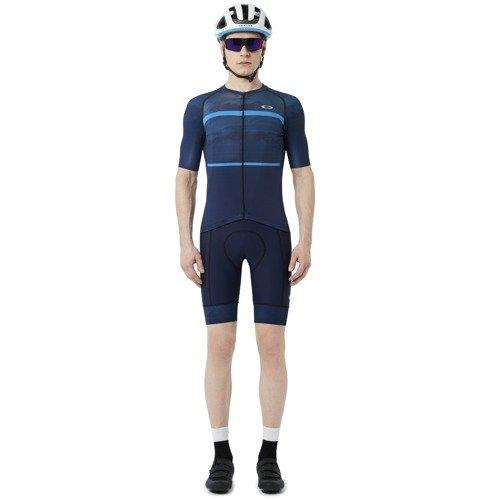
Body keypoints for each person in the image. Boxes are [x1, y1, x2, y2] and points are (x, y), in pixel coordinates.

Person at [175, 3, 315, 493]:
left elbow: (302, 173)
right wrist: (184, 241)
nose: (243, 51)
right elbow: (186, 176)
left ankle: (269, 455)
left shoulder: (286, 106)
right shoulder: (200, 107)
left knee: (272, 345)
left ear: (264, 49)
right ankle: (220, 455)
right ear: (222, 48)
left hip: (271, 236)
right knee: (220, 344)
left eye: (252, 42)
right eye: (235, 42)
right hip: (217, 238)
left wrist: (306, 238)